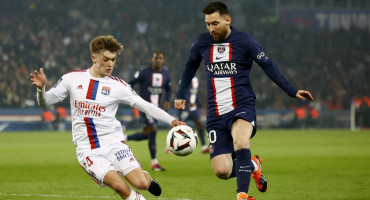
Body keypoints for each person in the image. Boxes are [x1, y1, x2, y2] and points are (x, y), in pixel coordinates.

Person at [174, 2, 314, 200]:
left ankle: (242, 195)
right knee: (222, 171)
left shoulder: (245, 41)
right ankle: (254, 165)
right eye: (207, 24)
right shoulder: (201, 43)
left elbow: (268, 65)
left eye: (215, 23)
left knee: (241, 141)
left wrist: (291, 90)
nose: (211, 28)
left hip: (241, 106)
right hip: (215, 114)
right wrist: (180, 93)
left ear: (227, 19)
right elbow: (190, 67)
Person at [30, 35, 185, 200]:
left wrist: (172, 120)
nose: (110, 64)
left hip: (114, 144)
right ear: (93, 58)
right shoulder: (72, 79)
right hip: (88, 150)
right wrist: (41, 90)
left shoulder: (119, 86)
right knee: (120, 187)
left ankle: (146, 178)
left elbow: (145, 105)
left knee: (140, 184)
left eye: (113, 59)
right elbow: (46, 101)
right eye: (105, 59)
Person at [126, 51, 172, 171]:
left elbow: (168, 88)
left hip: (157, 109)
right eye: (156, 58)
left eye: (160, 58)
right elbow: (129, 84)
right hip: (145, 108)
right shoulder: (144, 72)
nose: (158, 60)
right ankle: (155, 163)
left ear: (163, 60)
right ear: (152, 59)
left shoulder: (166, 74)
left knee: (146, 134)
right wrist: (134, 98)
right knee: (153, 130)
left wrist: (167, 100)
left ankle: (124, 138)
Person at [175, 76, 209, 153]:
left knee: (199, 124)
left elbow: (194, 94)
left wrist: (199, 104)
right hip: (184, 107)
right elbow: (181, 93)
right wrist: (186, 103)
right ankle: (171, 146)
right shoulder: (184, 78)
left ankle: (204, 147)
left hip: (193, 108)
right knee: (179, 126)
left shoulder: (196, 80)